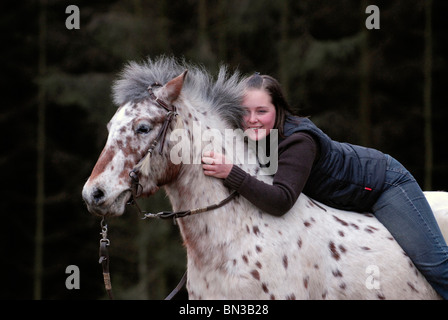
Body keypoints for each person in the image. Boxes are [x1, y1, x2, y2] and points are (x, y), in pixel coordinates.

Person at [201, 73, 448, 298]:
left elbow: (281, 200)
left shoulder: (299, 141)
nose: (252, 120)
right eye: (245, 111)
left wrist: (230, 172)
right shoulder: (253, 136)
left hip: (384, 184)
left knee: (434, 265)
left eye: (262, 111)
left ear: (278, 110)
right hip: (341, 199)